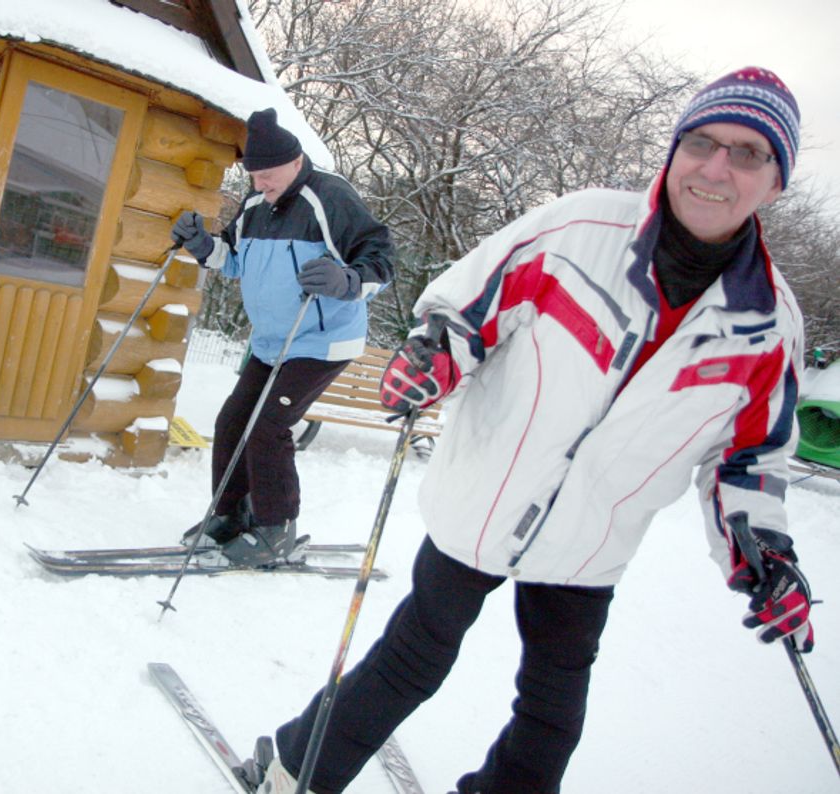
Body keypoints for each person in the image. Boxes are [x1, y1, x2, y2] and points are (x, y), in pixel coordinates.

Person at [248, 67, 814, 793]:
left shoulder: (769, 329)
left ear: (776, 181)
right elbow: (467, 308)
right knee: (411, 660)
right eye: (701, 142)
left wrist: (760, 549)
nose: (715, 168)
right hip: (486, 494)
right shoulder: (581, 229)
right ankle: (295, 768)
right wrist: (436, 356)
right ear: (673, 151)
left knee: (552, 718)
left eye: (748, 153)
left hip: (593, 539)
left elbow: (749, 461)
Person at [171, 108, 394, 566]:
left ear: (295, 163)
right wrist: (200, 244)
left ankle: (276, 528)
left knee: (269, 425)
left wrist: (346, 280)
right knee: (232, 421)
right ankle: (230, 515)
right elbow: (231, 259)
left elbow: (382, 260)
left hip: (320, 341)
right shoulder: (255, 206)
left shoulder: (329, 198)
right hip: (272, 342)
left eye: (268, 175)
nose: (259, 185)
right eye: (253, 176)